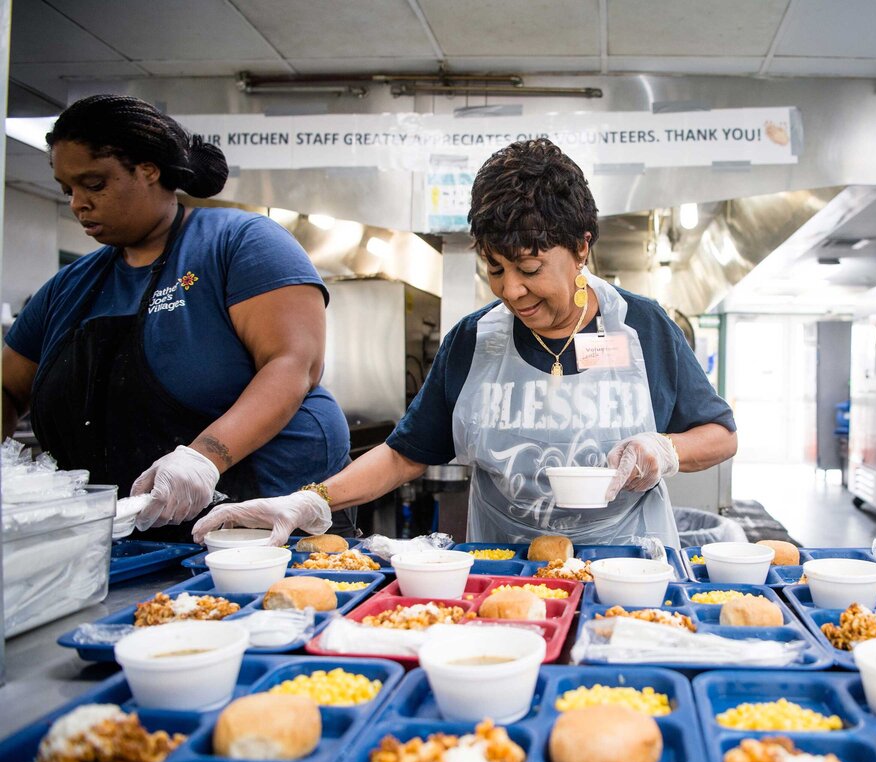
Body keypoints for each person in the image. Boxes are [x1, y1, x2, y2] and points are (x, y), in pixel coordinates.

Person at [194, 138, 738, 548]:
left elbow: (719, 434)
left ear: (580, 248)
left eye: (528, 268)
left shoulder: (641, 326)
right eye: (495, 270)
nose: (511, 291)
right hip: (506, 578)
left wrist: (666, 450)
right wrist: (311, 498)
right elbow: (404, 455)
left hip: (629, 574)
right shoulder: (474, 341)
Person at [1, 95, 353, 540]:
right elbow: (7, 388)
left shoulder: (239, 243)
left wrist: (202, 458)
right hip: (123, 532)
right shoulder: (67, 288)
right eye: (67, 189)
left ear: (148, 169)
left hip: (261, 520)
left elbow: (293, 363)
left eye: (94, 183)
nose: (78, 204)